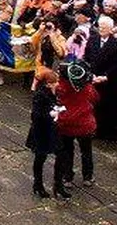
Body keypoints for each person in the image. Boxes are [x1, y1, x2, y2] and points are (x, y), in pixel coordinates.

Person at [55, 59, 101, 197]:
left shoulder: (60, 88)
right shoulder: (87, 88)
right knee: (86, 151)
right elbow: (96, 98)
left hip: (65, 125)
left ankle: (67, 177)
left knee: (67, 152)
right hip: (84, 125)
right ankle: (88, 177)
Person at [26, 68, 62, 198]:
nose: (57, 84)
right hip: (41, 132)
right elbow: (36, 115)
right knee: (40, 158)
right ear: (48, 83)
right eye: (55, 82)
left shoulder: (50, 93)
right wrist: (51, 114)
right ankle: (38, 184)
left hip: (49, 130)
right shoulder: (40, 95)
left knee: (58, 154)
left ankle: (57, 184)